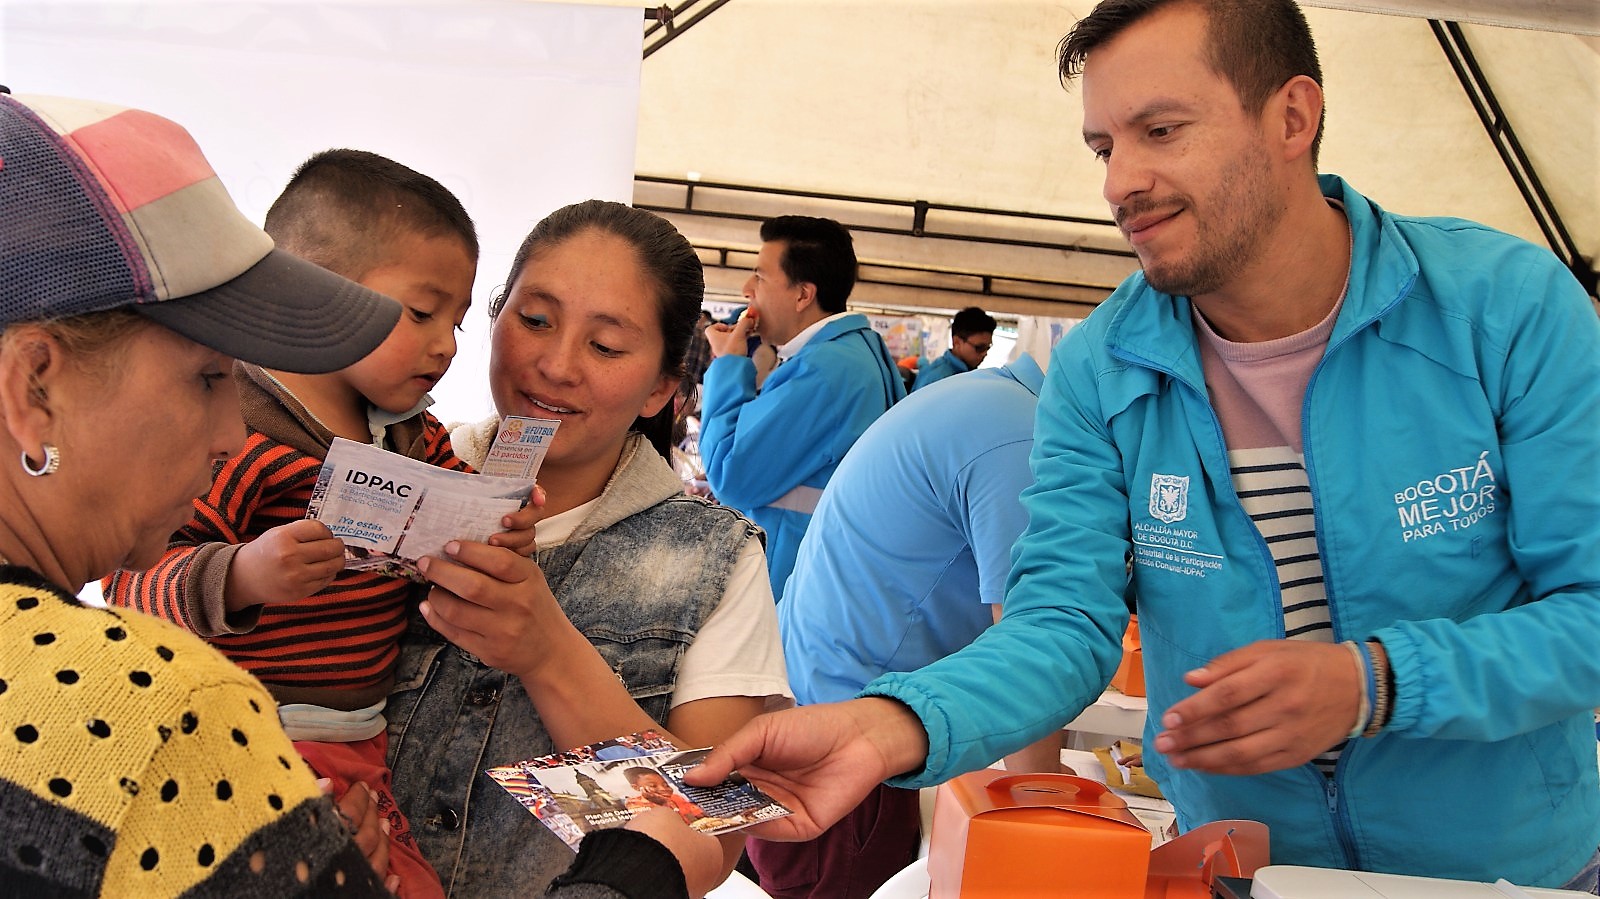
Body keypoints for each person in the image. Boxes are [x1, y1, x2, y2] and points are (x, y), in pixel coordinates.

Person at [687, 1, 1600, 892]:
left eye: (1160, 131)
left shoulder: (1502, 309)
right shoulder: (1100, 369)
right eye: (1103, 146)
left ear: (1292, 116)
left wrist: (1378, 682)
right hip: (1246, 871)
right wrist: (893, 723)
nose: (1118, 181)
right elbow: (1061, 623)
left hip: (1517, 870)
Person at [104, 148, 526, 899]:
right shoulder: (239, 428)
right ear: (313, 292)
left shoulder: (408, 432)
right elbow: (134, 582)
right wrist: (240, 575)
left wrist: (498, 527)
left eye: (457, 321)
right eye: (421, 311)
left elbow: (462, 507)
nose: (445, 345)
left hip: (363, 740)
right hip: (242, 739)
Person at [385, 199, 791, 897]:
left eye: (605, 346)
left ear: (661, 386)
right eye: (535, 320)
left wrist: (549, 654)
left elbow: (713, 835)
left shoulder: (713, 559)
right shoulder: (399, 473)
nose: (556, 364)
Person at [749, 351, 1063, 899]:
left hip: (811, 710)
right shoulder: (1021, 439)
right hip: (846, 746)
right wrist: (1055, 821)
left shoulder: (990, 399)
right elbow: (1030, 645)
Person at [700, 216, 905, 597]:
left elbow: (731, 475)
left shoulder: (826, 370)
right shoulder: (851, 354)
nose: (747, 290)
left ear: (802, 295)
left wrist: (727, 366)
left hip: (795, 578)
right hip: (822, 575)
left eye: (760, 277)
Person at [910, 305, 996, 391]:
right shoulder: (939, 379)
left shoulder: (964, 374)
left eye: (987, 347)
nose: (985, 353)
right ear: (957, 342)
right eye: (980, 348)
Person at [623, 769, 707, 823]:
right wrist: (663, 803)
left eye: (666, 785)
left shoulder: (675, 797)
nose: (663, 789)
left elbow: (696, 813)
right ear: (636, 787)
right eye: (653, 786)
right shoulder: (634, 803)